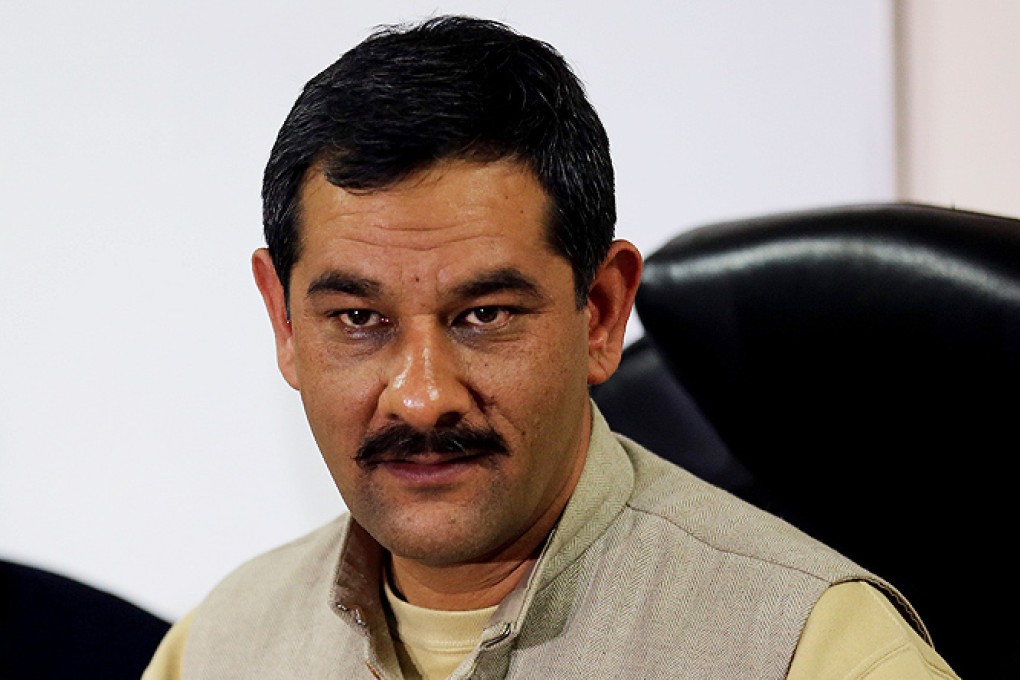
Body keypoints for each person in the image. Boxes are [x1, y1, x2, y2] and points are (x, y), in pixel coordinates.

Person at [143, 16, 958, 679]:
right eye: (359, 319)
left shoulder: (816, 653)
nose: (422, 396)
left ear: (601, 312)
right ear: (284, 324)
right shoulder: (217, 650)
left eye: (486, 314)